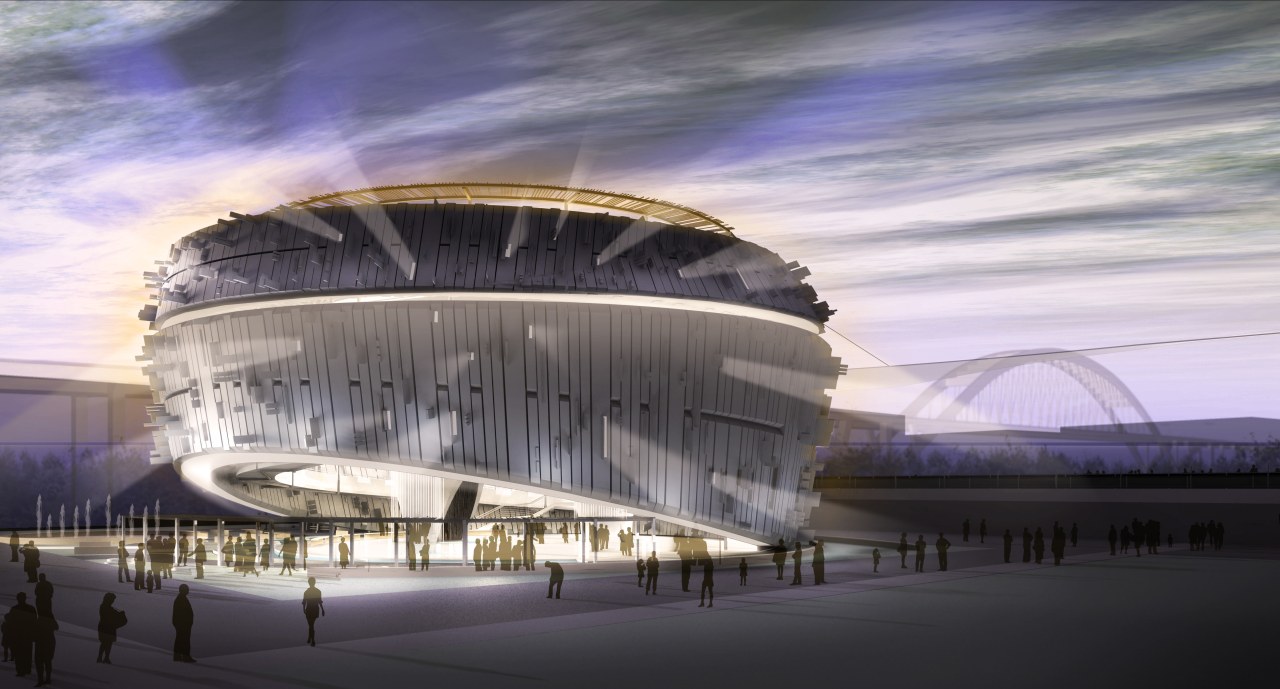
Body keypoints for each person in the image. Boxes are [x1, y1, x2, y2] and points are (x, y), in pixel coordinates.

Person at [7, 592, 36, 677]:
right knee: (26, 652)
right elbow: (35, 622)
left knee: (20, 653)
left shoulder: (14, 609)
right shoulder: (30, 608)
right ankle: (26, 669)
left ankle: (21, 670)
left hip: (19, 635)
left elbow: (10, 623)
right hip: (25, 635)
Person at [96, 593, 125, 664]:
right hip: (108, 627)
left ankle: (103, 657)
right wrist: (120, 614)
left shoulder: (104, 606)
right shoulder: (107, 608)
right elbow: (111, 615)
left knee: (106, 643)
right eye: (112, 599)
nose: (113, 601)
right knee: (107, 643)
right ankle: (103, 657)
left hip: (104, 627)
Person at [172, 584, 195, 662]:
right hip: (183, 624)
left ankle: (177, 656)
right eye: (187, 590)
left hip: (181, 623)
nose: (188, 591)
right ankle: (185, 656)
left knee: (179, 639)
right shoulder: (182, 599)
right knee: (185, 640)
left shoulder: (180, 598)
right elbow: (183, 613)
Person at [33, 613, 55, 687]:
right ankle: (42, 680)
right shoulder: (41, 618)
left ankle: (44, 680)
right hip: (42, 643)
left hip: (45, 643)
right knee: (42, 662)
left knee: (45, 661)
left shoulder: (45, 617)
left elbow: (56, 627)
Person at [302, 577, 324, 647]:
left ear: (309, 583)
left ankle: (312, 640)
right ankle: (310, 638)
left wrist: (303, 609)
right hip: (315, 609)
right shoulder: (318, 591)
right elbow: (320, 602)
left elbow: (304, 602)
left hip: (309, 609)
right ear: (314, 583)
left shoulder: (306, 592)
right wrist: (323, 609)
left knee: (311, 625)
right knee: (311, 624)